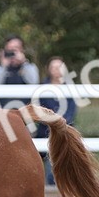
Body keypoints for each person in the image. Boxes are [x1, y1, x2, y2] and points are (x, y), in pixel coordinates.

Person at [36, 57, 79, 187]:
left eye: (60, 67)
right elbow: (42, 110)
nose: (57, 70)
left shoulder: (70, 88)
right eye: (54, 67)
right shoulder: (42, 88)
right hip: (46, 132)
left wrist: (62, 122)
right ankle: (52, 188)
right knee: (50, 167)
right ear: (49, 70)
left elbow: (72, 110)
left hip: (66, 130)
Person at [0, 35, 39, 110]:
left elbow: (34, 82)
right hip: (3, 113)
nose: (13, 52)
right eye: (10, 49)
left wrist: (24, 62)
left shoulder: (30, 67)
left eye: (16, 49)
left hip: (26, 113)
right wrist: (3, 66)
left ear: (23, 50)